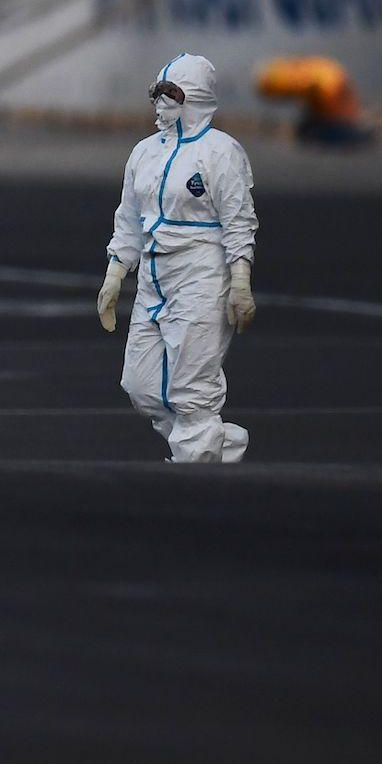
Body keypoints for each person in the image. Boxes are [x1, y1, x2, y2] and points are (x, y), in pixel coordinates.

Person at [97, 52, 258, 462]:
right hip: (154, 279)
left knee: (191, 391)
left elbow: (239, 220)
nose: (161, 101)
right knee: (142, 385)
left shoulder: (221, 153)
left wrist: (240, 281)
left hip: (201, 275)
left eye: (172, 93)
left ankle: (196, 472)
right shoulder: (144, 153)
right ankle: (214, 444)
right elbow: (129, 219)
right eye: (158, 92)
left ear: (197, 97)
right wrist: (116, 274)